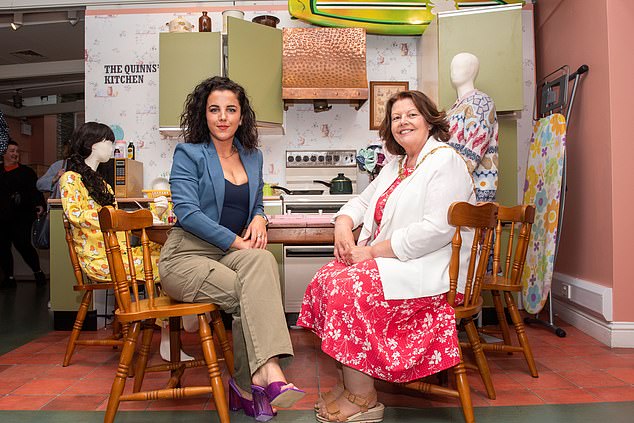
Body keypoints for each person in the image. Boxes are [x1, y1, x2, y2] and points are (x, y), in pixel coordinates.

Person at [297, 90, 476, 422]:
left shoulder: (444, 160)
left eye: (411, 114)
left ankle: (363, 398)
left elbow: (436, 229)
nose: (403, 122)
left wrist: (373, 251)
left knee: (347, 287)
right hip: (400, 265)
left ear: (429, 119)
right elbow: (361, 203)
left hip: (432, 272)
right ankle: (352, 382)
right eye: (396, 117)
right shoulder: (397, 165)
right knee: (327, 277)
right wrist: (343, 223)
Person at [158, 76, 304, 421]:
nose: (222, 117)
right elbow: (187, 212)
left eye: (230, 109)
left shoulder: (253, 157)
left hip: (226, 255)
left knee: (262, 260)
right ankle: (260, 377)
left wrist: (259, 218)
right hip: (186, 255)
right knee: (250, 289)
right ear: (204, 115)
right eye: (214, 109)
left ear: (241, 116)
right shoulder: (189, 153)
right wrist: (238, 240)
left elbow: (254, 203)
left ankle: (254, 379)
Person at [59, 122, 191, 362]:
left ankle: (174, 328)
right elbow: (76, 215)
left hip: (118, 251)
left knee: (170, 255)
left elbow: (119, 224)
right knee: (165, 265)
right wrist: (125, 217)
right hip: (101, 259)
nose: (113, 147)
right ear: (92, 145)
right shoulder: (70, 179)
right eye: (109, 142)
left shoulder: (103, 184)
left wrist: (154, 213)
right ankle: (172, 334)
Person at [446, 52, 499, 202]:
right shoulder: (454, 108)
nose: (454, 71)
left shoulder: (481, 102)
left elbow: (475, 149)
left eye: (461, 66)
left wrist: (445, 177)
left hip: (475, 189)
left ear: (473, 70)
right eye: (453, 67)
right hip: (459, 189)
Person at [0, 140, 47, 289]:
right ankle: (9, 277)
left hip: (21, 217)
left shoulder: (27, 172)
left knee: (23, 245)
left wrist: (40, 204)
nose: (15, 154)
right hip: (2, 218)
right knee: (3, 248)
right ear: (4, 153)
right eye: (12, 151)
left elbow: (36, 191)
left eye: (16, 151)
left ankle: (38, 272)